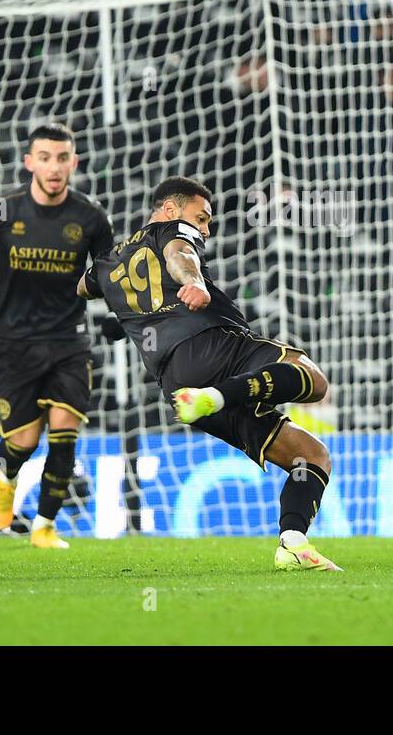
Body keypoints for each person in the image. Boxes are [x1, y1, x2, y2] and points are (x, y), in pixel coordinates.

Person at [84, 177, 340, 571]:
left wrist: (124, 317)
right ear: (169, 209)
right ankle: (220, 394)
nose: (205, 228)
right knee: (313, 378)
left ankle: (293, 542)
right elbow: (179, 253)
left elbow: (80, 291)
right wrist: (195, 282)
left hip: (177, 384)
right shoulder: (170, 230)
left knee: (312, 456)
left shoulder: (103, 266)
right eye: (201, 218)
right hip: (213, 346)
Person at [0, 123, 116, 550]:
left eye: (62, 157)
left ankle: (45, 526)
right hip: (14, 344)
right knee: (23, 442)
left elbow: (108, 278)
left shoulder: (92, 218)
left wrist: (117, 314)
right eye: (44, 157)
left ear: (74, 163)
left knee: (65, 434)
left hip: (70, 342)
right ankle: (6, 477)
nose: (54, 166)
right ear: (29, 162)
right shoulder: (2, 211)